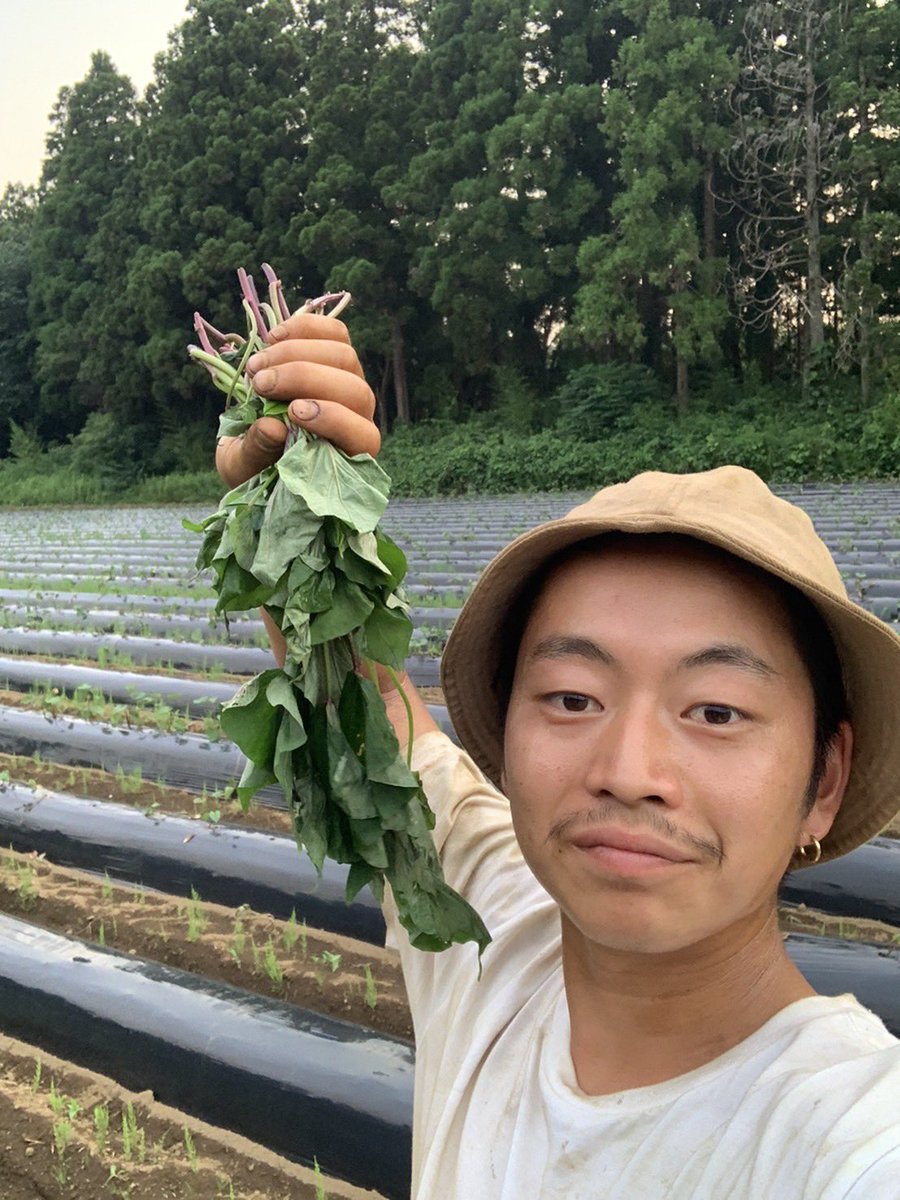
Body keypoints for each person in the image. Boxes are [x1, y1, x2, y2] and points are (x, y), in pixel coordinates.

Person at [217, 312, 900, 1199]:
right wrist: (292, 490)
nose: (629, 772)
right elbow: (373, 722)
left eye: (716, 711)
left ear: (824, 781)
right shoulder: (490, 941)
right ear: (507, 737)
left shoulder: (850, 1140)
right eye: (573, 698)